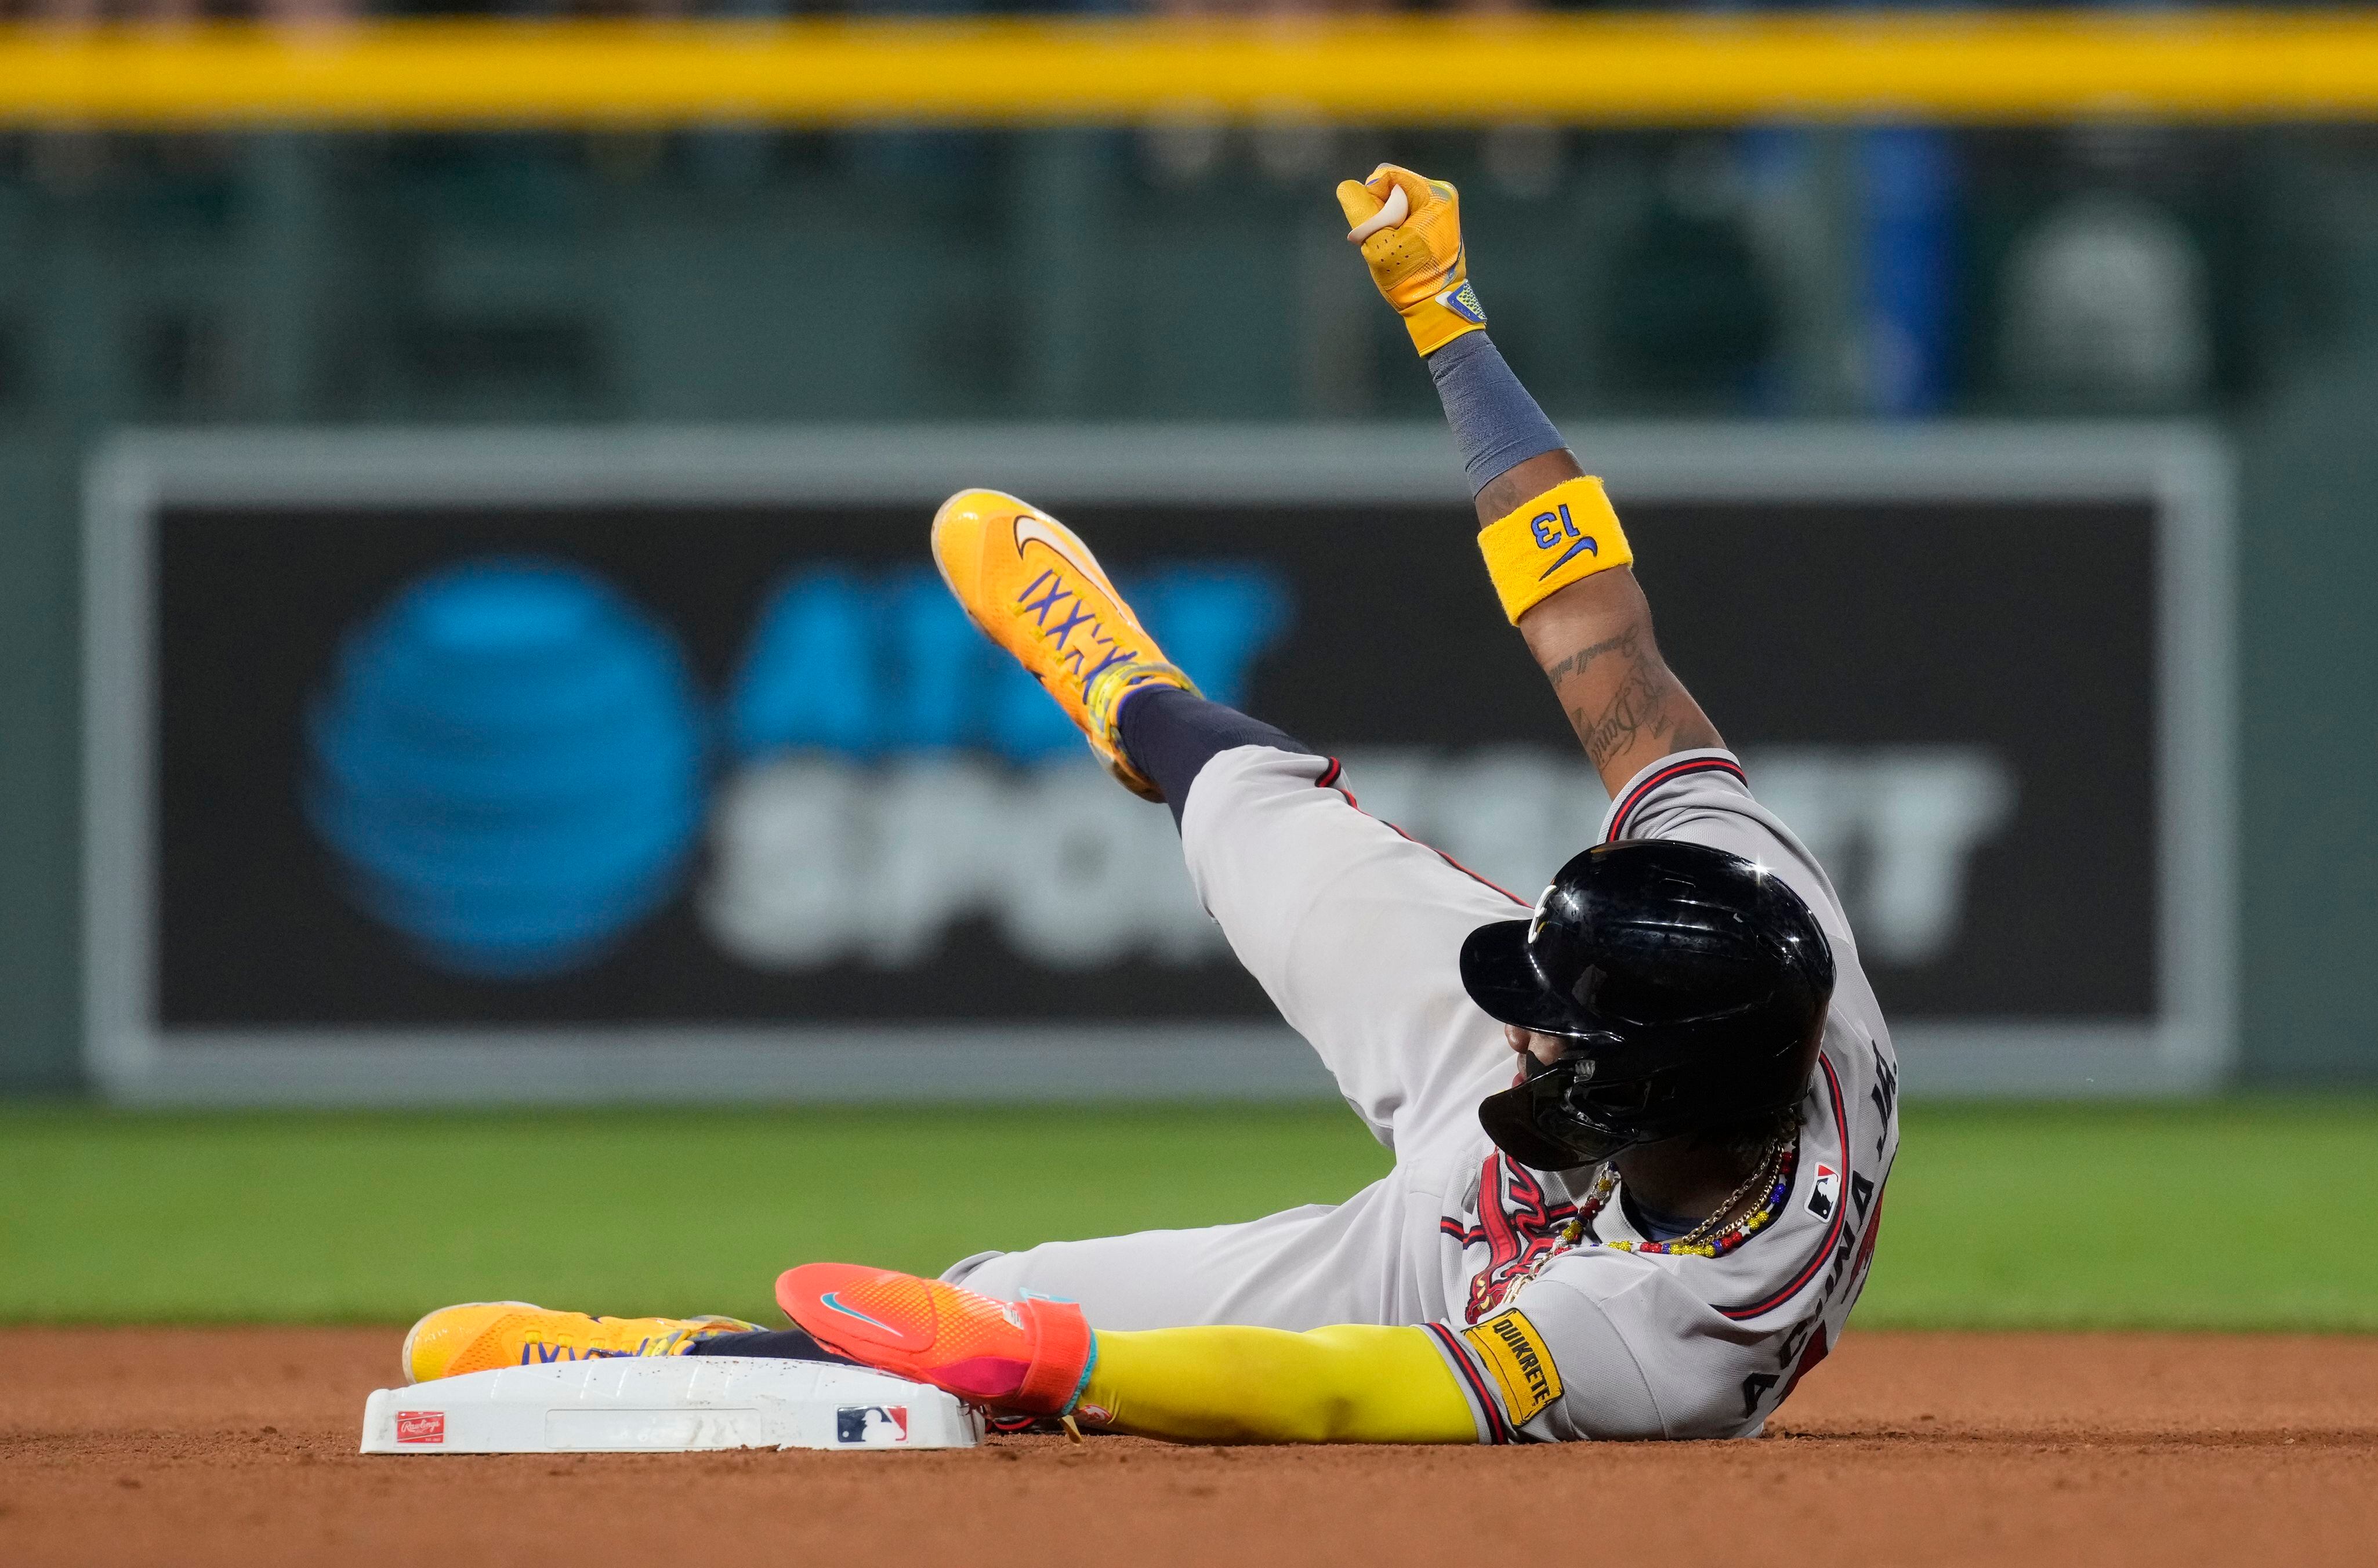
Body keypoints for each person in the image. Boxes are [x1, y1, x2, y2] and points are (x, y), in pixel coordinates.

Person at [400, 164, 1900, 1444]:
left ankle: (638, 1362)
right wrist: (1451, 328)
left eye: (1553, 1018)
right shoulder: (1749, 911)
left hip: (1440, 1284)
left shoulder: (1667, 1331)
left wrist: (1068, 1365)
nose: (1519, 1006)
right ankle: (1128, 695)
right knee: (1265, 822)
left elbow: (1338, 1394)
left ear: (1628, 1089)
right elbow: (1595, 635)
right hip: (1588, 1143)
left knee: (989, 1314)